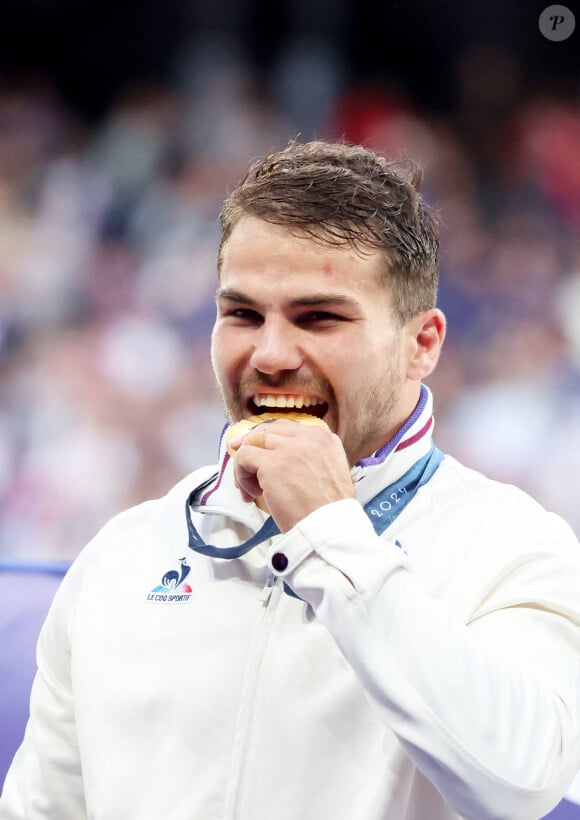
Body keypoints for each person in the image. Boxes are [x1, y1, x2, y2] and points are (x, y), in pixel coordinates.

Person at [1, 139, 580, 820]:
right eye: (243, 314)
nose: (270, 355)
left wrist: (332, 532)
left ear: (421, 344)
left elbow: (518, 783)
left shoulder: (513, 548)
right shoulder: (123, 556)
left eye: (320, 317)